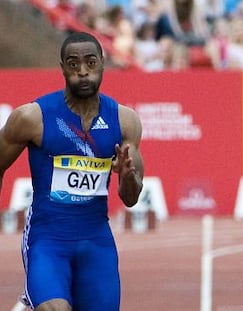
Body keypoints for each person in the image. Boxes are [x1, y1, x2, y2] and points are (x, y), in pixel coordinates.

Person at [0, 32, 144, 311]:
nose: (83, 73)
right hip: (47, 239)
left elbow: (131, 197)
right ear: (63, 67)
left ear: (102, 63)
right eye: (74, 64)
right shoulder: (33, 117)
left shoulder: (125, 121)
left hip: (97, 242)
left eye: (91, 63)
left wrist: (128, 177)